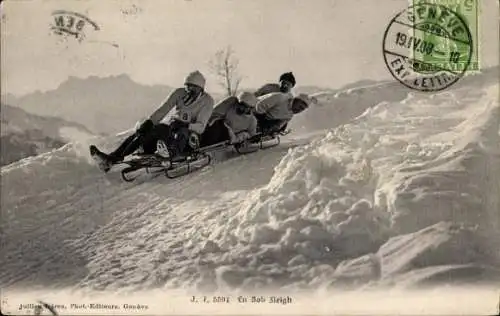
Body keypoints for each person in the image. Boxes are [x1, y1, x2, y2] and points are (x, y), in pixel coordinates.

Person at [90, 70, 214, 172]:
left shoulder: (207, 101)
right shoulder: (179, 93)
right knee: (147, 131)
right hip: (173, 127)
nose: (189, 90)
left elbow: (201, 127)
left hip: (190, 135)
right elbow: (163, 109)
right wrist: (150, 122)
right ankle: (112, 158)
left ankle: (170, 154)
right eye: (188, 86)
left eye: (193, 88)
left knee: (183, 132)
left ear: (200, 89)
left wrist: (185, 124)